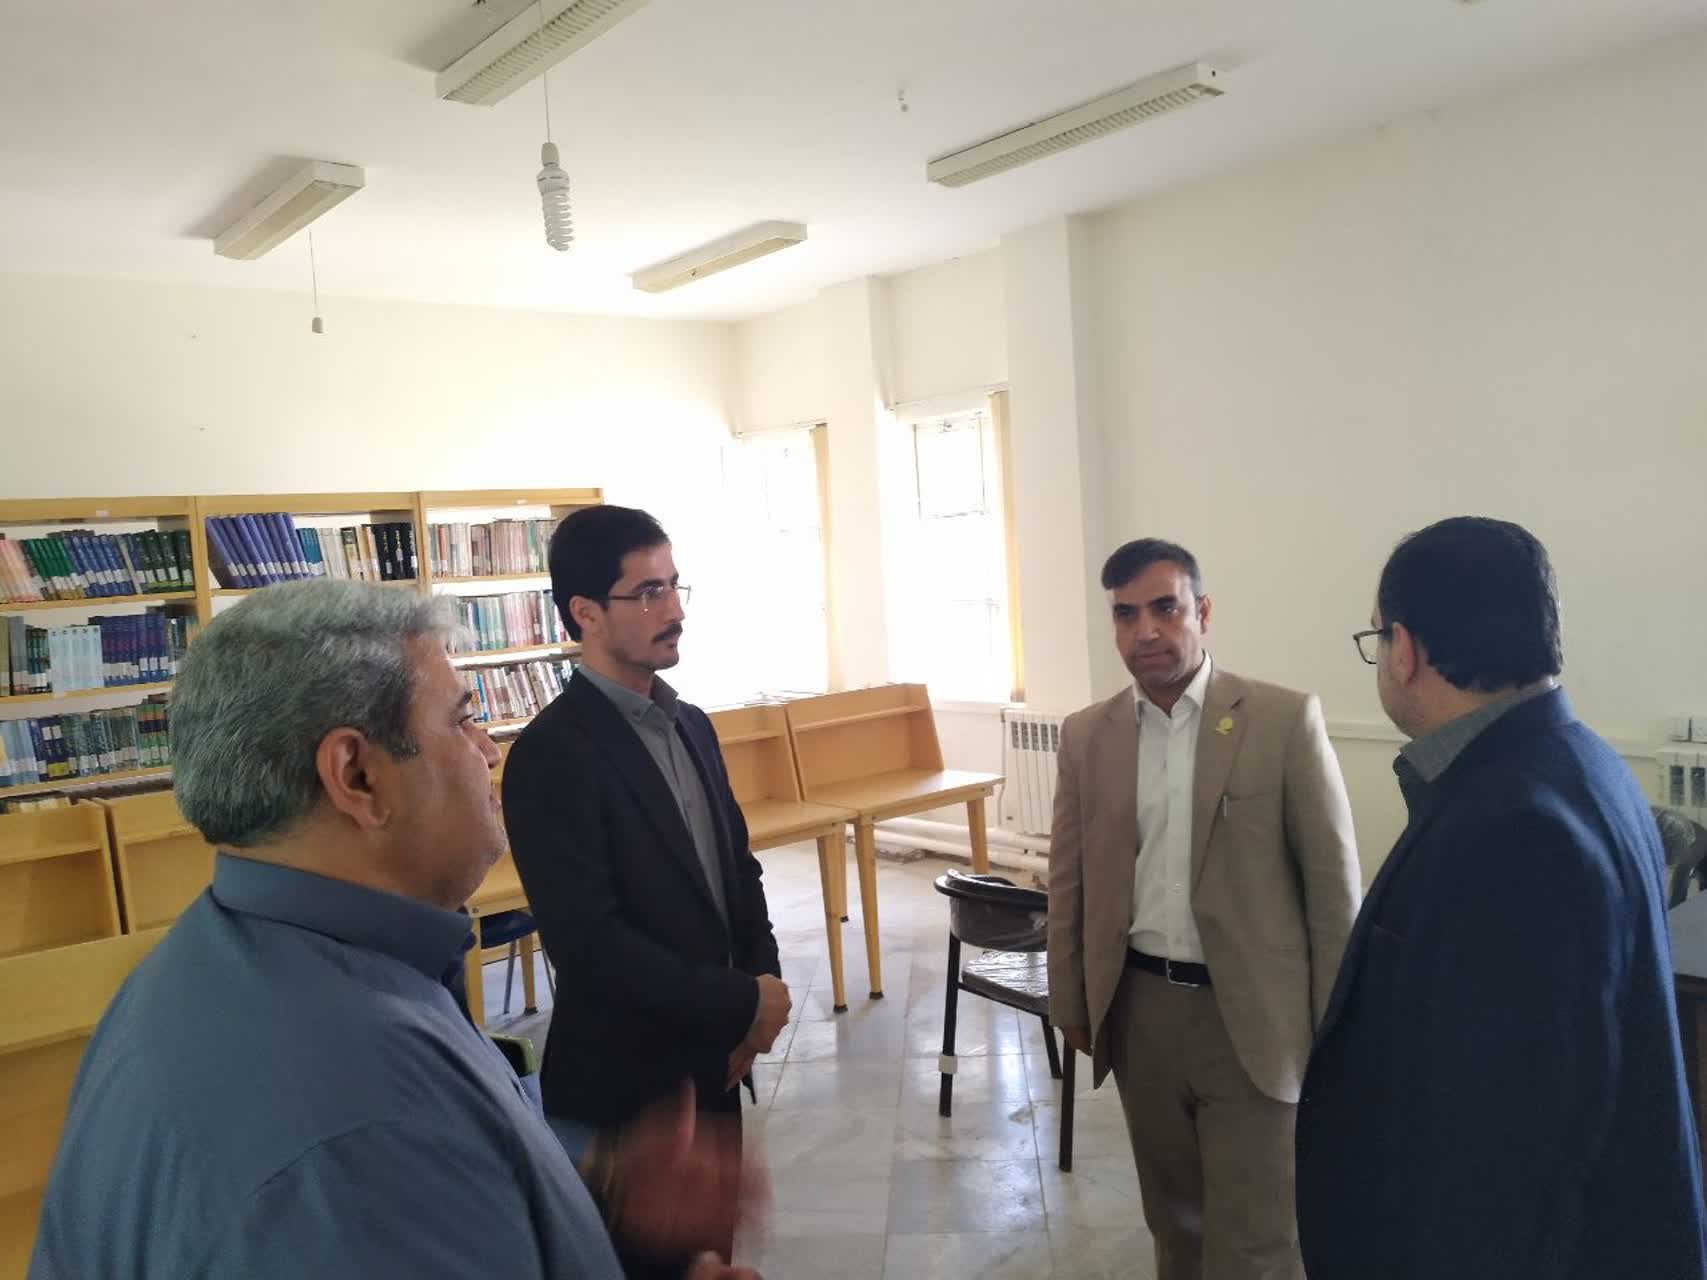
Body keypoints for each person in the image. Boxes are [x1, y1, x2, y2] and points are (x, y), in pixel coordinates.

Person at [29, 580, 758, 1280]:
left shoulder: (210, 965)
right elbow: (374, 1155)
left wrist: (583, 1174)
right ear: (358, 776)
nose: (488, 749)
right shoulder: (360, 1121)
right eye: (462, 719)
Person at [1297, 516, 1707, 1279]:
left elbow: (1506, 1160)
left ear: (1405, 648)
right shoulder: (1581, 762)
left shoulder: (1514, 830)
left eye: (1376, 637)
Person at [1048, 538, 1361, 1280]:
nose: (1145, 631)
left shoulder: (1281, 720)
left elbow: (1332, 890)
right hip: (1140, 1012)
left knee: (1256, 1239)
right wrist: (1071, 998)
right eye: (1126, 614)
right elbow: (1069, 879)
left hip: (1252, 1018)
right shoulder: (1088, 735)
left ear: (1203, 611)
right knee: (1174, 1223)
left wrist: (1338, 1028)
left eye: (1165, 608)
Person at [502, 505, 788, 1280]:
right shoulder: (551, 754)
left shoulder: (691, 724)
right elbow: (589, 944)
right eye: (648, 592)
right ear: (586, 613)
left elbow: (738, 873)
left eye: (674, 585)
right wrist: (738, 1002)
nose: (674, 610)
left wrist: (759, 991)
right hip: (626, 1099)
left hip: (715, 1063)